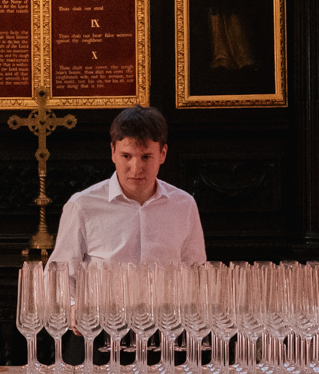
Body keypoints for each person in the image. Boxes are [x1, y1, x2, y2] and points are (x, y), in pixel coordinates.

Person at [53, 106, 205, 269]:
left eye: (146, 157)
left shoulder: (184, 205)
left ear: (163, 154)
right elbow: (60, 278)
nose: (136, 168)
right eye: (126, 156)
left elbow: (195, 274)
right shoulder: (81, 206)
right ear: (113, 152)